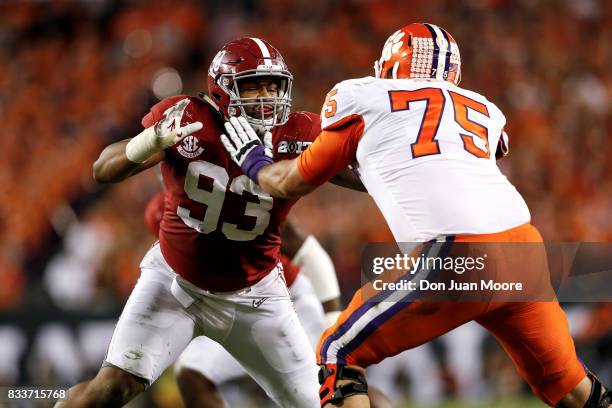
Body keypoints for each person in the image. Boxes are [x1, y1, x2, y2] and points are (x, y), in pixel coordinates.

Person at [220, 23, 612, 408]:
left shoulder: (363, 96)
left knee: (338, 353)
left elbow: (288, 183)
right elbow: (436, 160)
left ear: (392, 65)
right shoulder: (483, 109)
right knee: (573, 388)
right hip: (526, 250)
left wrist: (253, 160)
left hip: (460, 255)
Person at [57, 37, 331, 408]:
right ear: (223, 90)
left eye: (273, 85)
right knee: (110, 390)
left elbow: (358, 174)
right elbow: (102, 169)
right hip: (175, 285)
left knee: (315, 403)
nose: (266, 97)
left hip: (257, 294)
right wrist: (150, 141)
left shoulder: (299, 133)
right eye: (252, 86)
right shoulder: (186, 118)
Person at [144, 190, 343, 407]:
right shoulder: (160, 210)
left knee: (328, 391)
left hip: (291, 302)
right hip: (239, 309)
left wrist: (333, 320)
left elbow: (311, 253)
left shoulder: (239, 191)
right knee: (192, 371)